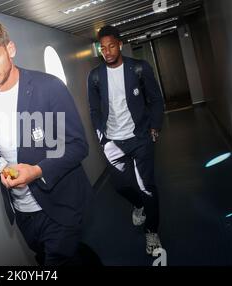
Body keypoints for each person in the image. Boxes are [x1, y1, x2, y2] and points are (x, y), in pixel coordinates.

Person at [0, 20, 95, 266]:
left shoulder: (49, 87)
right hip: (23, 212)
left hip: (59, 204)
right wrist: (5, 170)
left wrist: (37, 171)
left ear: (11, 49)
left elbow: (78, 145)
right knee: (44, 258)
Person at [87, 25, 165, 255]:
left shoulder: (139, 68)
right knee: (120, 185)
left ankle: (152, 232)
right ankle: (139, 205)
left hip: (139, 137)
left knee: (147, 188)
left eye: (111, 46)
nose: (107, 51)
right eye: (103, 48)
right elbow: (94, 110)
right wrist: (102, 137)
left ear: (120, 44)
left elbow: (156, 99)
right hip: (113, 141)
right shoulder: (95, 77)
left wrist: (155, 126)